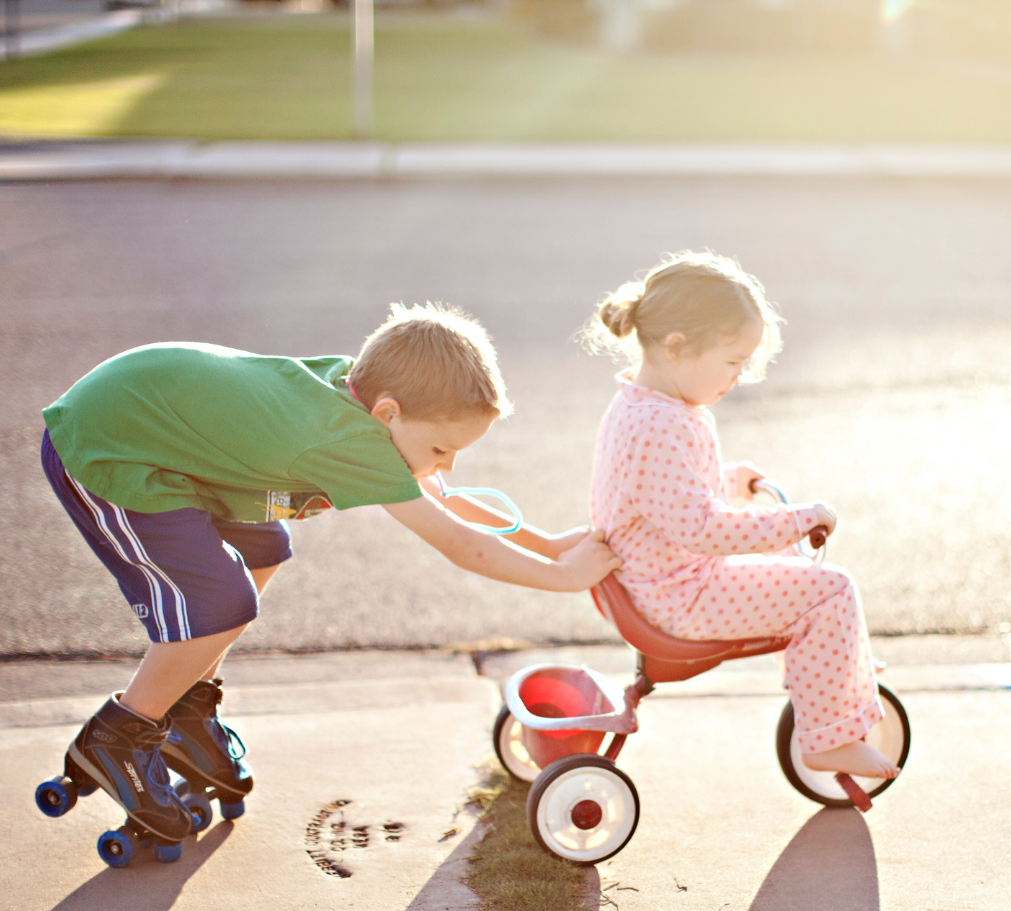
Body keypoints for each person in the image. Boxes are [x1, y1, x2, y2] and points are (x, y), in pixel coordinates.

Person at [39, 303, 620, 860]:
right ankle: (122, 732)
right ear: (388, 414)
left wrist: (547, 544)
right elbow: (460, 543)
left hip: (161, 433)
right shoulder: (357, 443)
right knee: (219, 600)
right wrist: (564, 578)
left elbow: (447, 500)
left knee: (265, 545)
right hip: (110, 445)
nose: (446, 465)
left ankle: (185, 705)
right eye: (441, 448)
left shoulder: (364, 399)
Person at [587, 252, 899, 781]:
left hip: (660, 579)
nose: (739, 377)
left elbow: (661, 495)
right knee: (831, 589)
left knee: (795, 571)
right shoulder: (664, 425)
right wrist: (795, 519)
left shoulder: (643, 406)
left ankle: (830, 674)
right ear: (677, 347)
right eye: (732, 362)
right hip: (680, 598)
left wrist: (726, 480)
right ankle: (832, 736)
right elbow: (703, 530)